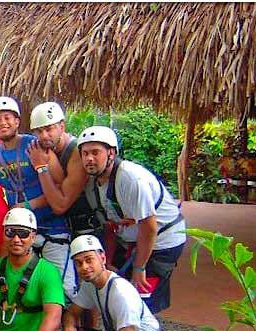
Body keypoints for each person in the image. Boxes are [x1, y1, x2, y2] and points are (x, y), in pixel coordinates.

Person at [78, 126, 186, 313]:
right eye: (85, 153)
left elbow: (149, 228)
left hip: (162, 241)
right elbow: (109, 227)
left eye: (96, 152)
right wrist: (108, 261)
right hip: (132, 239)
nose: (89, 158)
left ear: (111, 153)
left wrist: (139, 268)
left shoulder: (130, 179)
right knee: (117, 293)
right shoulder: (93, 186)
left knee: (141, 301)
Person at [0, 96, 77, 301]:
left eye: (7, 117)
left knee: (64, 289)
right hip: (21, 233)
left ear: (17, 121)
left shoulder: (35, 145)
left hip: (53, 227)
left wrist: (26, 205)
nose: (3, 123)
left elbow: (60, 184)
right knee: (24, 289)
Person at [27, 101, 101, 239]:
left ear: (62, 127)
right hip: (63, 228)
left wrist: (41, 167)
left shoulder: (77, 153)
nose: (44, 135)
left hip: (88, 228)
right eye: (39, 131)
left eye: (49, 129)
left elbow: (60, 206)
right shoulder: (41, 150)